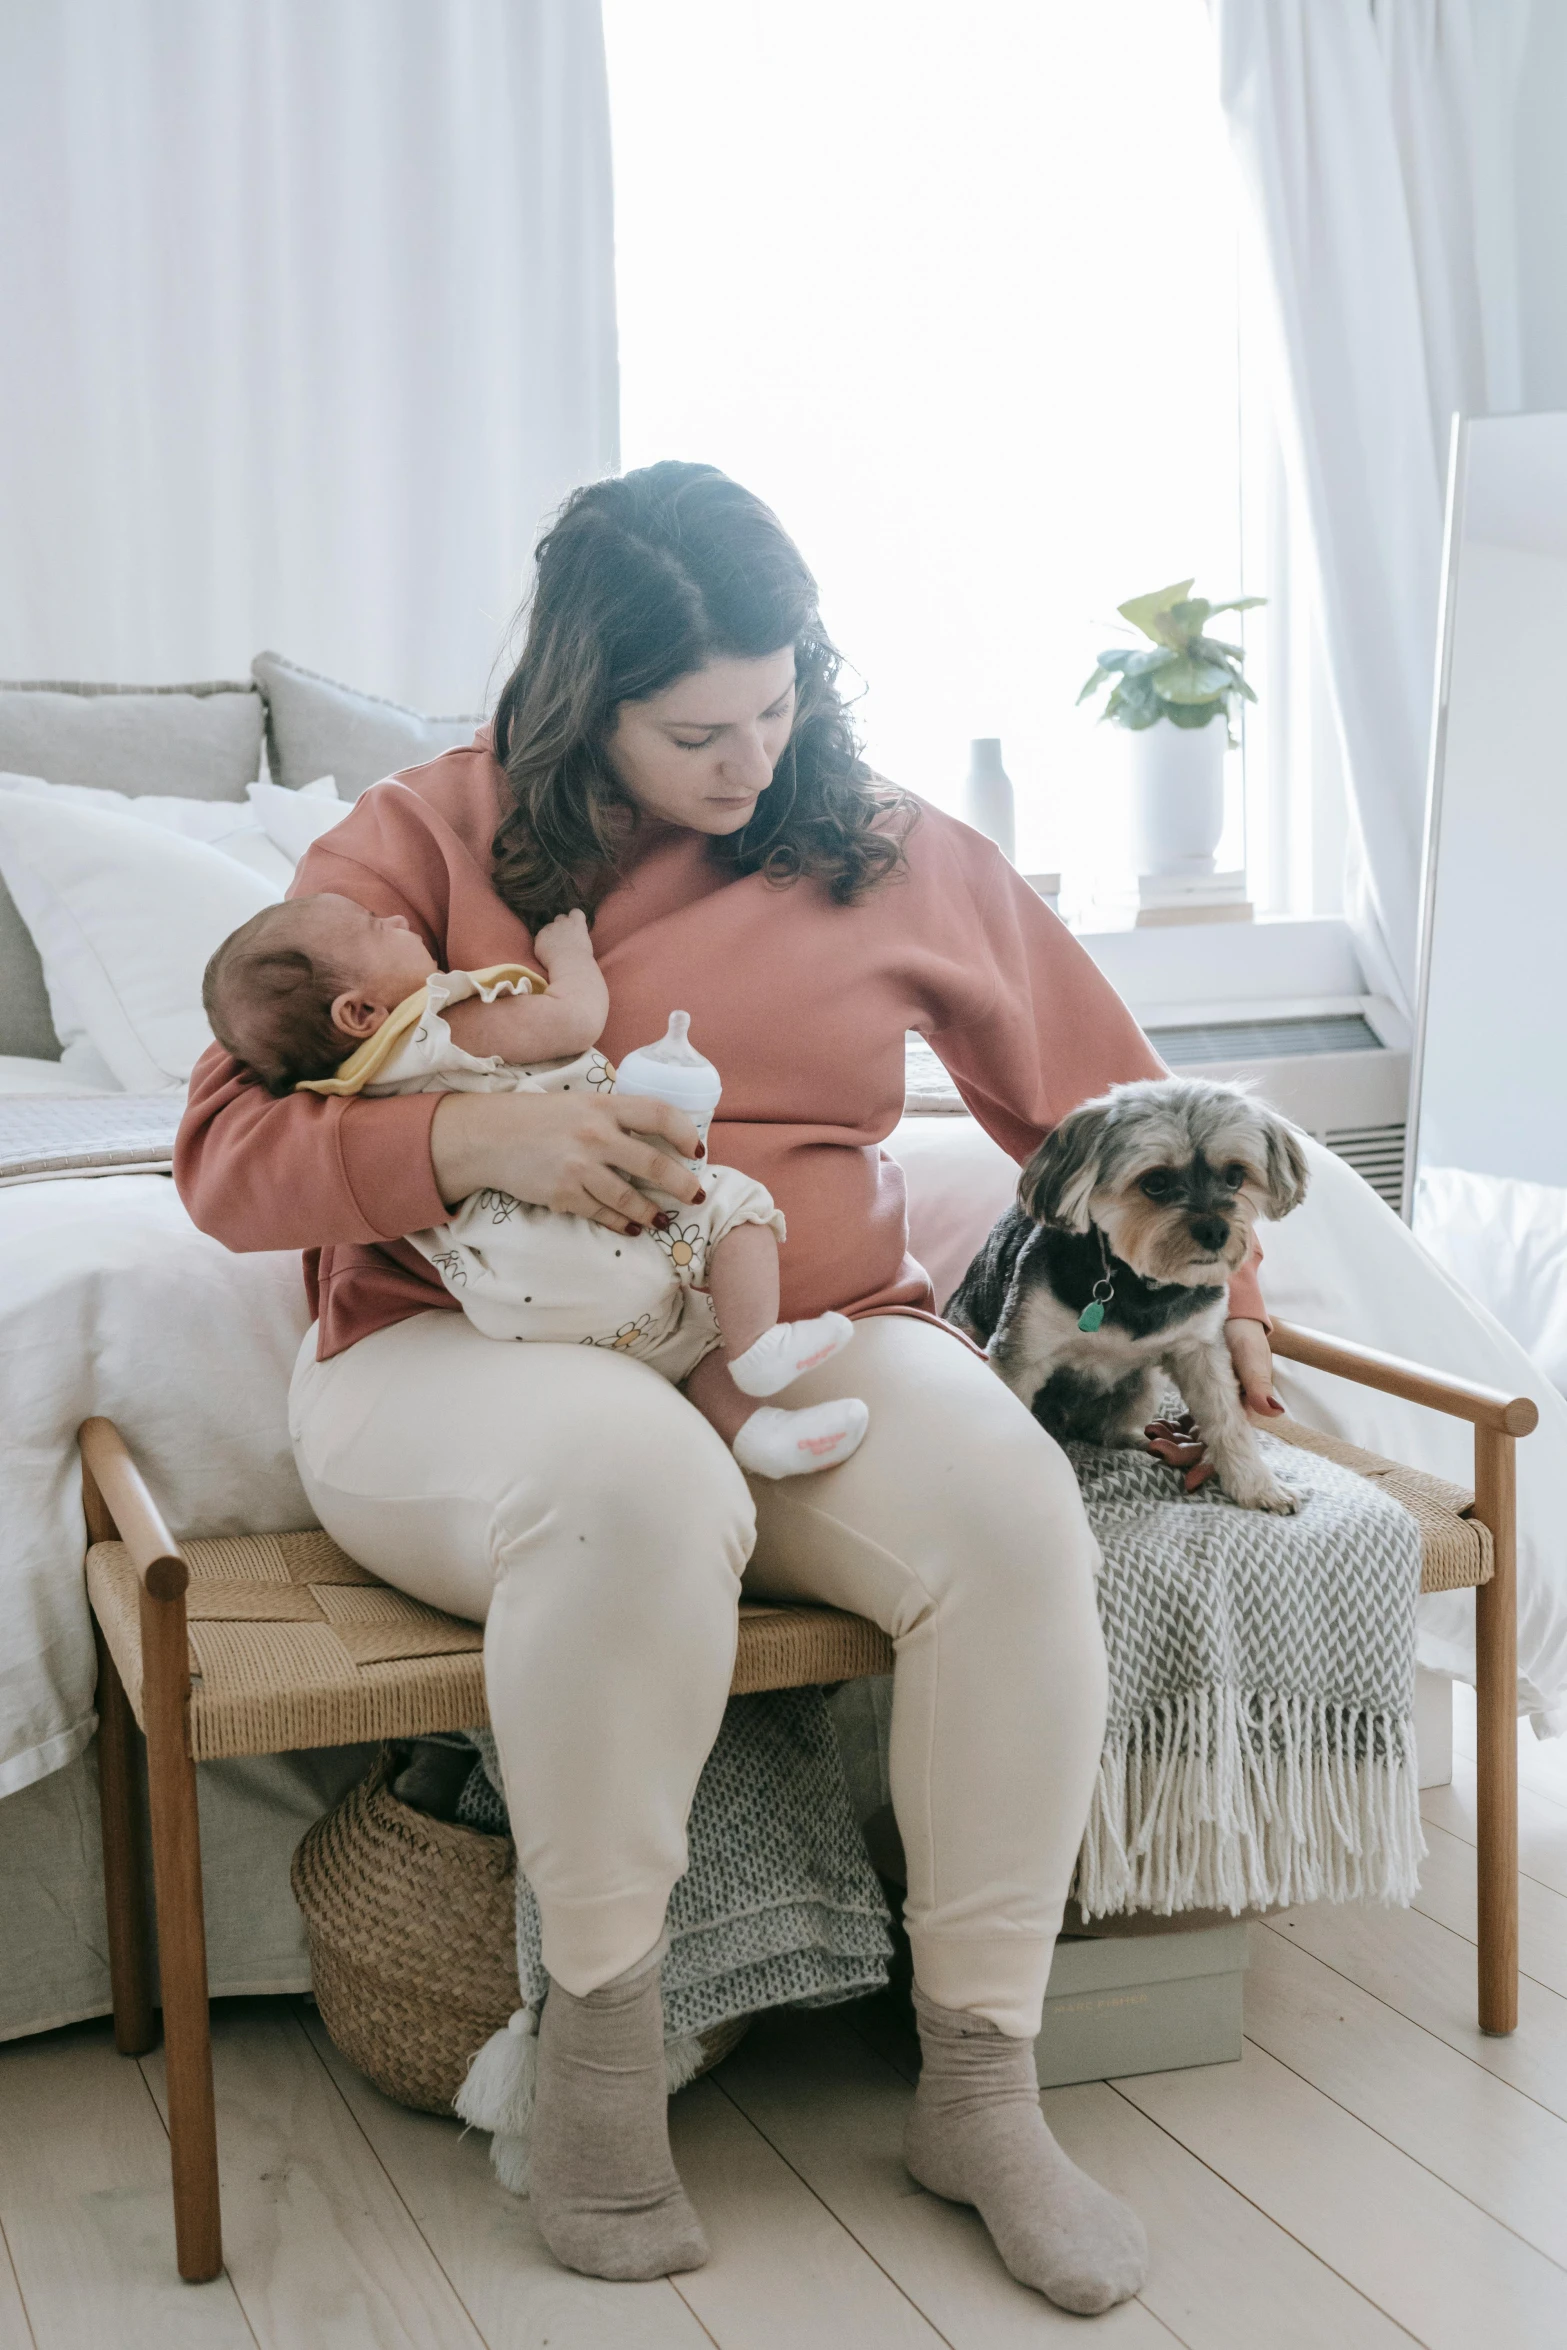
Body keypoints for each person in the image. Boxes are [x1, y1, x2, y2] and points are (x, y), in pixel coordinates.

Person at [177, 461, 1276, 2316]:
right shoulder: (416, 838)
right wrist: (474, 1142)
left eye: (777, 708)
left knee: (1013, 1506)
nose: (748, 760)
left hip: (798, 1323)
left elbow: (1101, 1085)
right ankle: (600, 2072)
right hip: (472, 1360)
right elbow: (217, 1159)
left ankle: (980, 2088)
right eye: (698, 730)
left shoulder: (884, 843)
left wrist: (1243, 1293)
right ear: (577, 701)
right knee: (638, 1489)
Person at [199, 893, 867, 1477]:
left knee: (677, 1340)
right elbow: (573, 1019)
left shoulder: (351, 1086)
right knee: (732, 1209)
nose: (400, 917)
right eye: (378, 927)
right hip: (590, 1233)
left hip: (515, 1296)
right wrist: (568, 950)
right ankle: (757, 1349)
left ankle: (761, 1437)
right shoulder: (441, 1026)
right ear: (361, 1012)